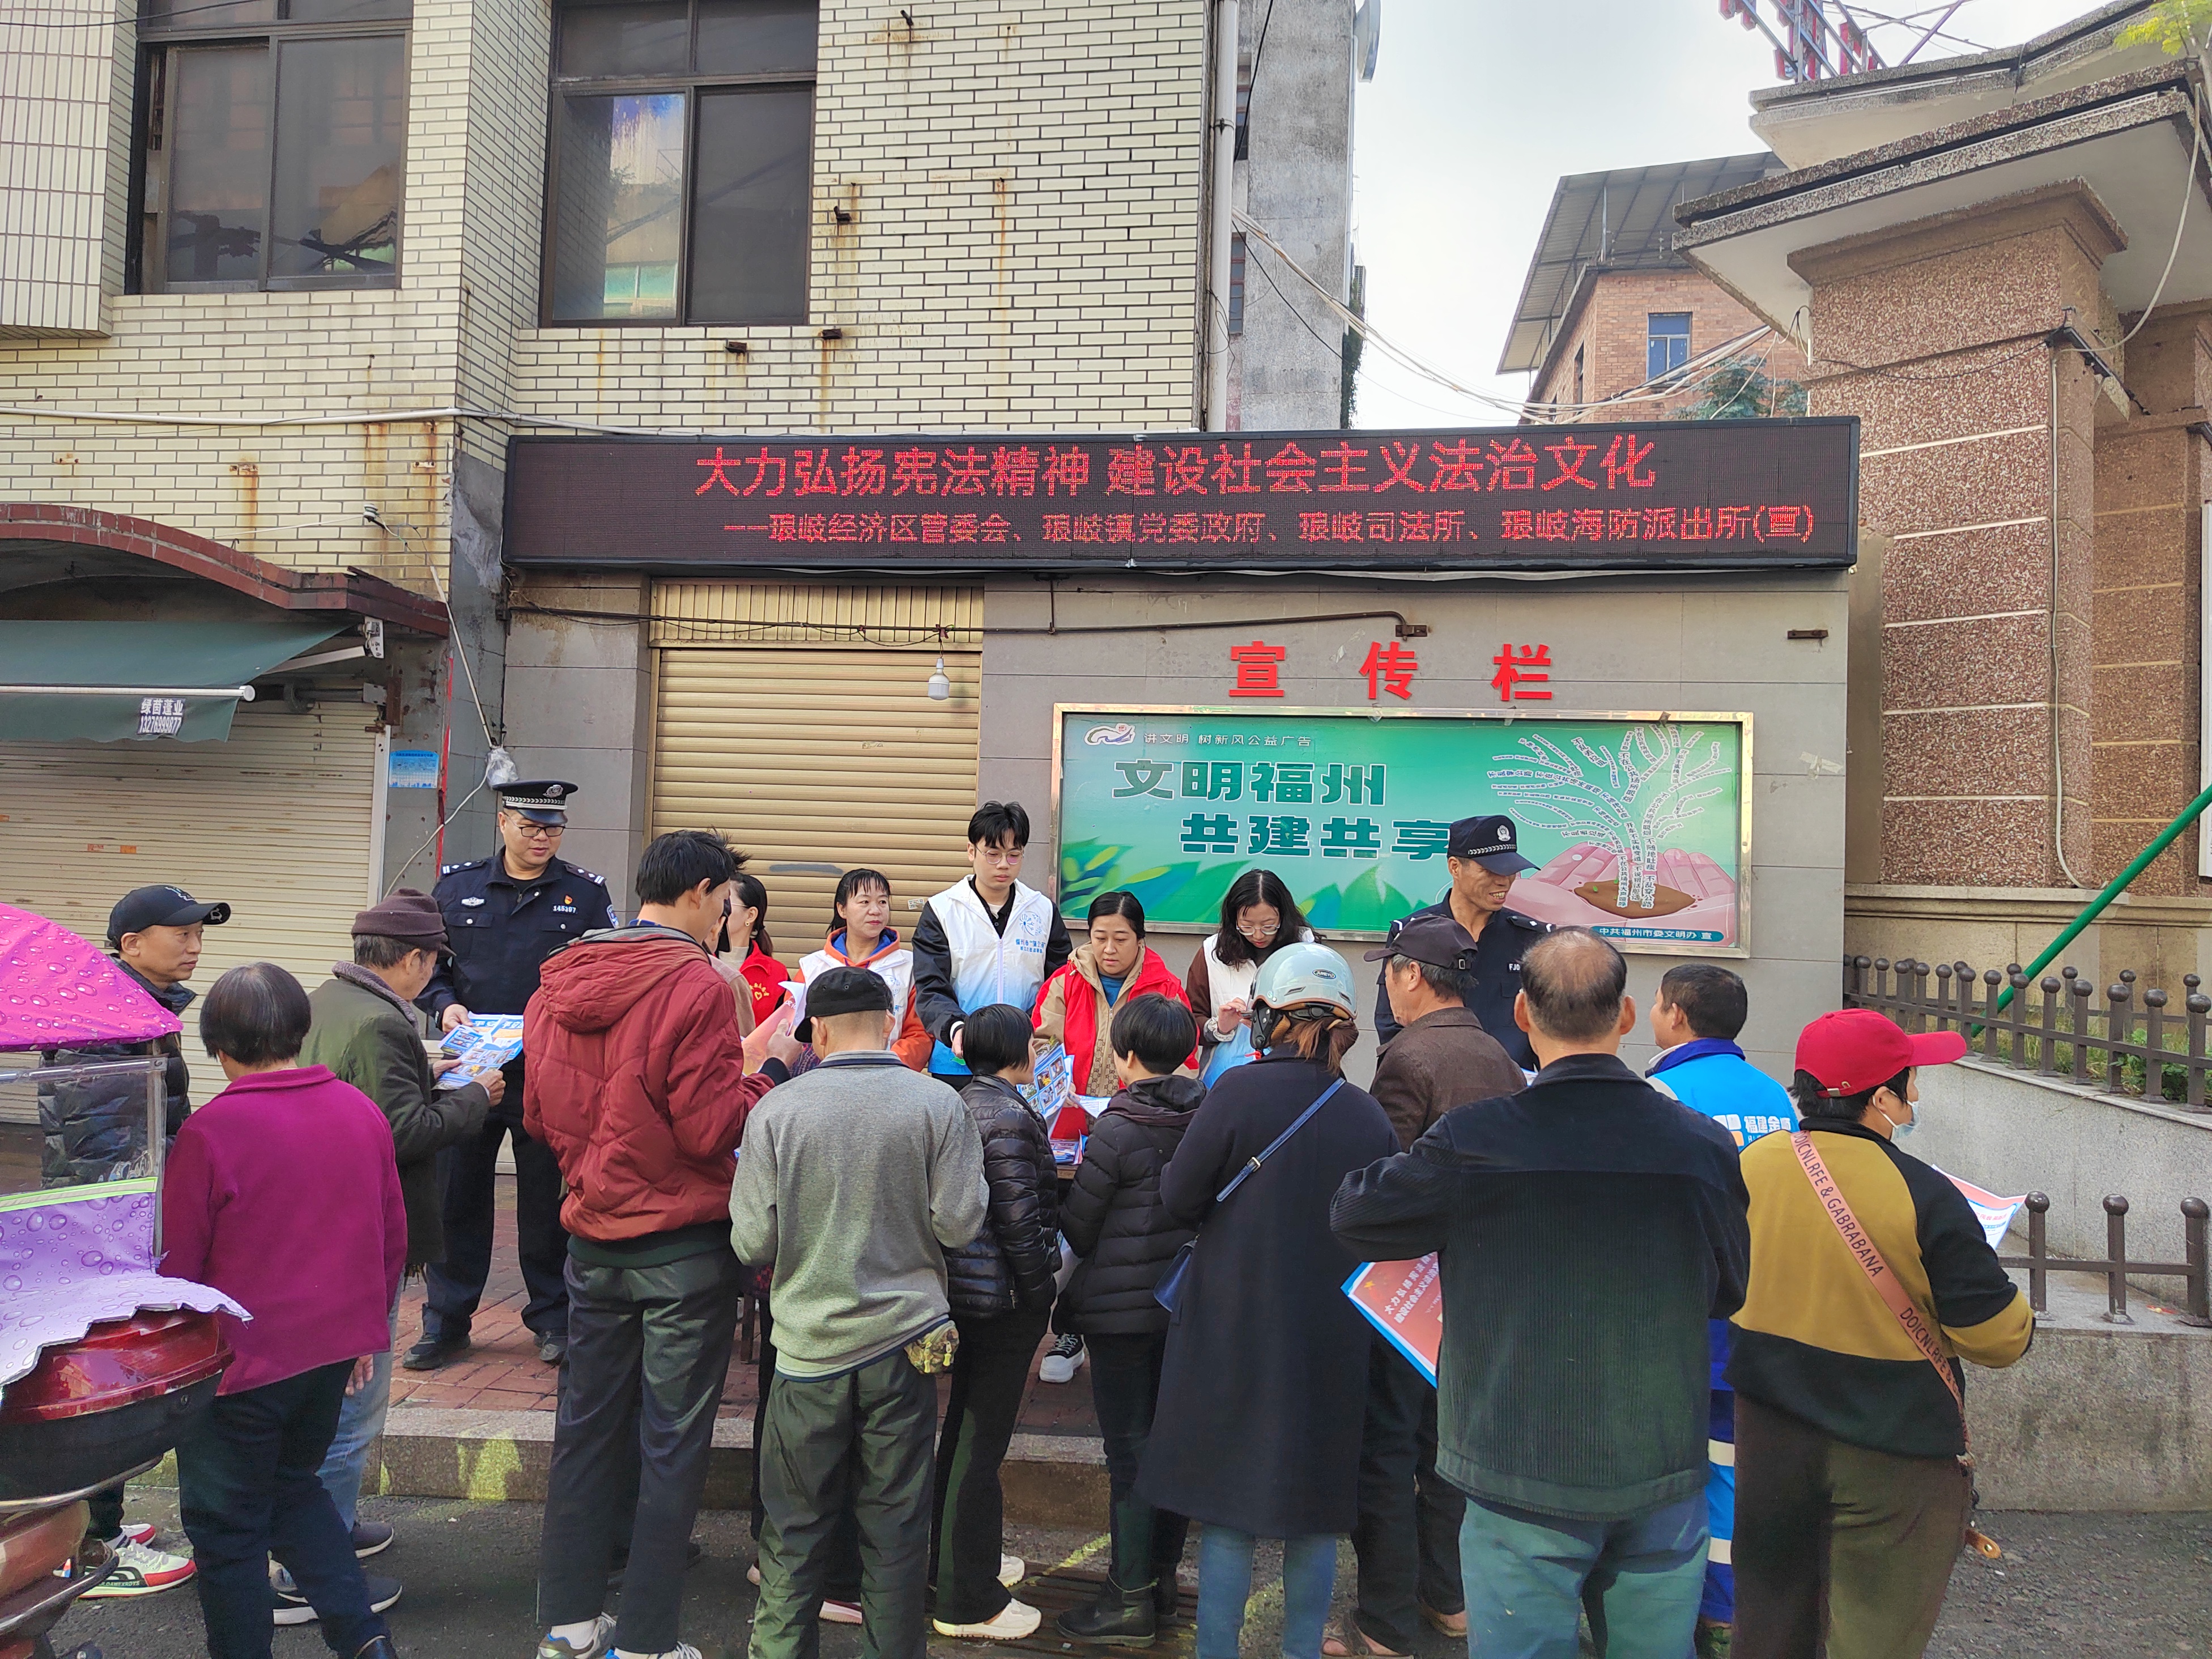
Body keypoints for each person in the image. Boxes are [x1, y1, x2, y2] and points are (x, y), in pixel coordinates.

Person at [1329, 929, 1750, 1659]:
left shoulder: (1474, 1140)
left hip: (1515, 1462)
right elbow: (1729, 1288)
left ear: (1522, 1013)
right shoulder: (1701, 1144)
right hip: (1658, 1459)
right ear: (1625, 1015)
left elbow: (1354, 1213)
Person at [525, 830, 801, 1659]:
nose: (726, 918)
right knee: (671, 1447)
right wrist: (769, 1071)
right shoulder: (697, 983)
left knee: (585, 1436)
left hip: (591, 1241)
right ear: (701, 893)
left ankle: (568, 1628)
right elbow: (709, 1128)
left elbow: (537, 1116)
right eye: (724, 902)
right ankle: (646, 1641)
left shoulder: (558, 976)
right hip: (681, 1249)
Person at [1729, 1009, 2034, 1659]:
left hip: (1768, 1430)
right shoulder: (1924, 1193)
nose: (1915, 1094)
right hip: (1891, 1443)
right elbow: (1998, 1338)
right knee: (1874, 1631)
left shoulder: (1751, 1165)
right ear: (1881, 1100)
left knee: (1768, 1620)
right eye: (1909, 1081)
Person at [1138, 945, 1399, 1659]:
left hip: (1232, 1324)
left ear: (1269, 1018)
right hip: (1333, 1334)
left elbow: (1178, 1198)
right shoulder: (1366, 1115)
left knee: (1228, 1514)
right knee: (1314, 1516)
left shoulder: (1236, 1093)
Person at [731, 966, 987, 1659]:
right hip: (905, 1347)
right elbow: (960, 1223)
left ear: (815, 1031)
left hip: (806, 1352)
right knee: (896, 1535)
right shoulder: (937, 1105)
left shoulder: (776, 1111)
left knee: (791, 1535)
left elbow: (751, 1242)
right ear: (890, 1023)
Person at [162, 962, 406, 1659]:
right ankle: (365, 1640)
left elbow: (180, 1268)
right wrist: (363, 1335)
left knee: (227, 1528)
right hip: (329, 1353)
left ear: (218, 1046)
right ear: (299, 1030)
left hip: (237, 1367)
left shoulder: (211, 1131)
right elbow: (390, 1236)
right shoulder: (359, 1111)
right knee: (295, 1490)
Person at [1327, 913, 1526, 1658]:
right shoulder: (1498, 1055)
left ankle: (1384, 1621)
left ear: (1411, 975)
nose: (1386, 983)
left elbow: (1393, 1176)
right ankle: (1448, 1598)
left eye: (1389, 970)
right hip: (1481, 1287)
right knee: (1448, 1450)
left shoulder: (1410, 1056)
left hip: (1411, 1291)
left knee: (1387, 1450)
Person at [297, 891, 499, 1581]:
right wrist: (475, 1097)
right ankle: (316, 1566)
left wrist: (427, 1075)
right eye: (433, 960)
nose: (432, 972)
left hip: (323, 1223)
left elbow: (363, 1098)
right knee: (352, 1407)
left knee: (333, 1397)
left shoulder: (329, 1002)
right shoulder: (381, 1022)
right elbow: (400, 1131)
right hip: (361, 1234)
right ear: (414, 959)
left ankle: (331, 1529)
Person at [40, 882, 228, 1597]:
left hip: (122, 1221)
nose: (195, 946)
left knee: (114, 1374)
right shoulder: (103, 1021)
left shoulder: (136, 1010)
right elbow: (104, 1152)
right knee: (105, 1379)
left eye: (199, 934)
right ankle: (93, 1548)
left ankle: (97, 1524)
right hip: (108, 1229)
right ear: (131, 944)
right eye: (181, 934)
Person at [412, 779, 619, 1372]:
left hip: (548, 1071)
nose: (542, 839)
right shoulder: (457, 887)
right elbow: (428, 967)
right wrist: (443, 1005)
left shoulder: (584, 894)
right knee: (457, 1196)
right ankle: (446, 1322)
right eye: (530, 827)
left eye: (553, 828)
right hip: (471, 1069)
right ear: (503, 822)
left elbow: (603, 973)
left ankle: (553, 1321)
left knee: (545, 1201)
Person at [1643, 963, 1799, 1657]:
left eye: (1656, 1003)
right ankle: (1728, 1611)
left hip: (1682, 1314)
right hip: (1759, 1310)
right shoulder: (1776, 1096)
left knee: (1671, 1467)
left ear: (1676, 1015)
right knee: (1732, 1464)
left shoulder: (1660, 1094)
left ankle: (1679, 1611)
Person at [1052, 993, 1206, 1647]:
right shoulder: (1208, 1118)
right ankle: (1162, 1582)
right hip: (1186, 1308)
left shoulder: (1115, 1128)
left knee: (1129, 1453)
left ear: (1126, 1056)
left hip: (1119, 1317)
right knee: (1171, 1444)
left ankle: (1128, 1597)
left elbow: (1080, 1226)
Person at [932, 1004, 1060, 1641]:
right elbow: (1018, 1220)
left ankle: (953, 1562)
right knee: (980, 1447)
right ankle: (967, 1599)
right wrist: (1041, 1294)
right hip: (1001, 1301)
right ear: (1015, 1050)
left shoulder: (962, 1103)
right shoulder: (1006, 1115)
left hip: (966, 1295)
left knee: (963, 1434)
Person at [1032, 890, 1190, 1384]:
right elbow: (1042, 1042)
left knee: (1118, 1232)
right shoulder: (1065, 981)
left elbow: (1182, 1061)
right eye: (1099, 937)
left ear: (1141, 939)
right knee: (1073, 1224)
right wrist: (1054, 1081)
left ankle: (1115, 1329)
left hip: (1139, 1131)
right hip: (1071, 1128)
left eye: (1121, 938)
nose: (1109, 949)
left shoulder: (1166, 987)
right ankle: (1071, 1331)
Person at [913, 799, 1072, 1082]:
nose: (1003, 865)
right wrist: (957, 1030)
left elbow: (1059, 984)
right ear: (971, 851)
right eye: (993, 854)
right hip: (959, 1060)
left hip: (1025, 1061)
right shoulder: (942, 910)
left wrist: (1032, 1030)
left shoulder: (1043, 911)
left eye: (1014, 855)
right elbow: (931, 987)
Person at [1371, 814, 1549, 1066]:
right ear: (1455, 867)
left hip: (1512, 1085)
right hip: (1431, 1078)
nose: (1504, 881)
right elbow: (1392, 1022)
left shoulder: (1533, 940)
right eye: (1490, 870)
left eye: (1510, 871)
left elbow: (1549, 1027)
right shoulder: (1412, 934)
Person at [1184, 869, 1313, 1086]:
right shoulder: (1211, 953)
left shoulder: (1307, 952)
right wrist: (1219, 1027)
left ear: (1284, 917)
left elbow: (1324, 1022)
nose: (1258, 935)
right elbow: (1189, 1020)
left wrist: (1280, 1027)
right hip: (1224, 1079)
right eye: (1247, 926)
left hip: (1290, 1076)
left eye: (1268, 925)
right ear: (1233, 918)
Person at [799, 867, 932, 1070]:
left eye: (883, 902)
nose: (876, 910)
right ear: (842, 909)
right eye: (865, 902)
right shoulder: (812, 966)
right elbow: (794, 1030)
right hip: (823, 1077)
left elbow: (919, 1034)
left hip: (887, 1077)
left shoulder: (911, 966)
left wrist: (883, 1067)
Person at [722, 871, 789, 1030]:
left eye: (727, 903)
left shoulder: (777, 974)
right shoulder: (700, 961)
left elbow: (784, 1027)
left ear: (751, 915)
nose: (720, 910)